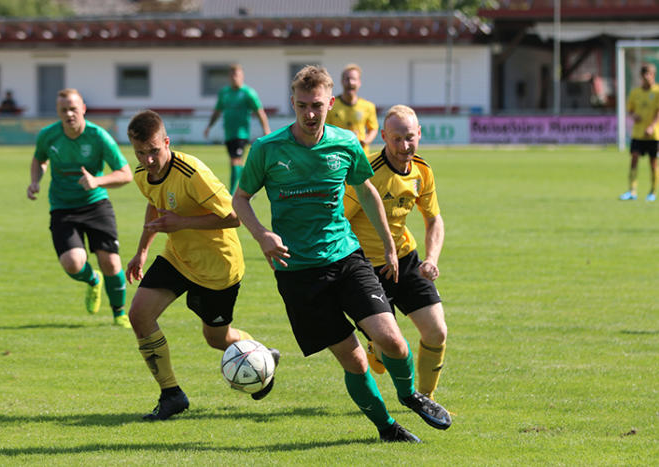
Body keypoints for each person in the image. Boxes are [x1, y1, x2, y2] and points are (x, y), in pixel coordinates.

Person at [232, 65, 451, 443]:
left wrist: (386, 244)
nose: (310, 114)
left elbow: (366, 191)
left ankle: (409, 394)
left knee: (394, 342)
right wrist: (262, 235)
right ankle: (387, 428)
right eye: (302, 106)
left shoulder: (346, 143)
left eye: (317, 105)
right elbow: (240, 199)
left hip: (346, 258)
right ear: (293, 104)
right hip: (298, 272)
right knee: (354, 359)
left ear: (329, 103)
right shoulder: (267, 150)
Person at [125, 110, 279, 421]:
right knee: (139, 315)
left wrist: (181, 222)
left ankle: (261, 354)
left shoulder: (192, 172)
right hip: (178, 257)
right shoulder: (143, 173)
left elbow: (234, 216)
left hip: (217, 267)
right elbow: (155, 205)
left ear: (166, 142)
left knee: (216, 339)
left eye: (154, 151)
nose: (149, 160)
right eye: (141, 153)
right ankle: (171, 394)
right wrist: (142, 251)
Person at [344, 105, 449, 404]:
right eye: (397, 139)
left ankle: (425, 398)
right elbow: (340, 219)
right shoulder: (367, 173)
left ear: (419, 135)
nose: (404, 146)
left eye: (410, 138)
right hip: (367, 268)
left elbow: (434, 219)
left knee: (436, 332)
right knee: (382, 358)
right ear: (385, 137)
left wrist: (432, 259)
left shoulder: (422, 171)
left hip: (405, 259)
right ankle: (375, 346)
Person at [27, 88, 132, 326]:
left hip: (95, 204)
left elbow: (125, 174)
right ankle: (93, 280)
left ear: (83, 108)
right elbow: (39, 159)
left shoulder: (98, 136)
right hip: (63, 207)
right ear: (58, 112)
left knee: (111, 262)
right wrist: (35, 181)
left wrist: (97, 181)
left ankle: (119, 314)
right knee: (73, 263)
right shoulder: (48, 135)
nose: (69, 114)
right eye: (64, 110)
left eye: (73, 108)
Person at [203, 64, 271, 194]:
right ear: (229, 77)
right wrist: (209, 126)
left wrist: (266, 129)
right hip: (229, 133)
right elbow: (217, 111)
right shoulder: (225, 93)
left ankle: (233, 192)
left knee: (235, 160)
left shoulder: (248, 93)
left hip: (241, 134)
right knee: (235, 162)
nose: (234, 78)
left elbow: (259, 112)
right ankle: (249, 187)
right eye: (232, 75)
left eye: (237, 75)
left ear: (242, 76)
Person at [619, 63, 659, 201]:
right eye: (644, 74)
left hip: (653, 135)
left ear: (653, 75)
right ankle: (632, 191)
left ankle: (652, 192)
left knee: (653, 163)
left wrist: (652, 126)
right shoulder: (635, 92)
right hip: (638, 133)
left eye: (649, 74)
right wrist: (633, 115)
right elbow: (630, 109)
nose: (646, 77)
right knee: (634, 159)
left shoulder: (657, 92)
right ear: (641, 76)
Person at [326, 63, 379, 154]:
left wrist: (366, 141)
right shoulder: (331, 105)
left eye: (353, 79)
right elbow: (326, 129)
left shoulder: (368, 106)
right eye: (347, 79)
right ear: (342, 81)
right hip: (338, 153)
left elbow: (373, 128)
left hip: (361, 154)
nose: (350, 83)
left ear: (359, 82)